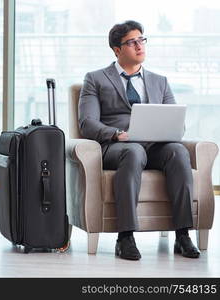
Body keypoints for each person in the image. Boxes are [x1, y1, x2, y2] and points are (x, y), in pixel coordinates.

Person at [78, 20, 200, 260]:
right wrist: (116, 134)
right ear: (117, 49)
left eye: (141, 40)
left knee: (178, 151)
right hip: (117, 147)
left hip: (154, 146)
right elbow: (87, 123)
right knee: (133, 151)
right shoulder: (95, 79)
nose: (139, 46)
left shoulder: (159, 81)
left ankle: (183, 234)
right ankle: (125, 237)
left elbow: (176, 120)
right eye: (132, 42)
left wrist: (169, 131)